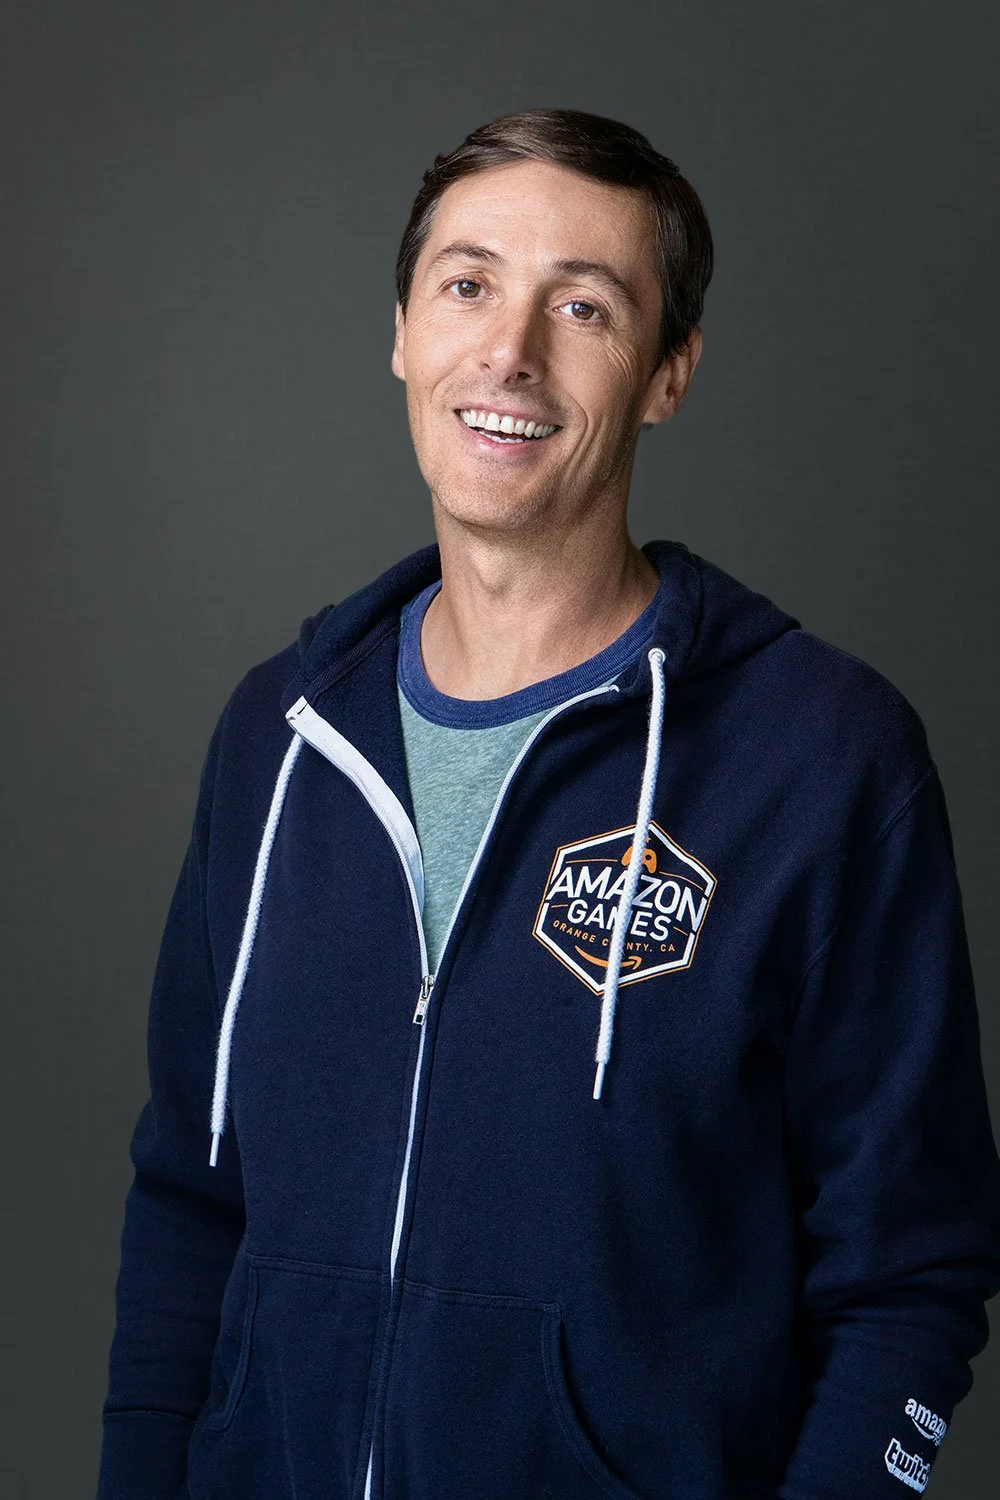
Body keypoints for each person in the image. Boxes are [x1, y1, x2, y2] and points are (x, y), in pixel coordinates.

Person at [97, 108, 1000, 1500]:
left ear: (668, 372)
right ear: (404, 332)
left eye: (583, 306)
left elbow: (910, 1276)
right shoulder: (280, 738)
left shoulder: (824, 759)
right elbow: (188, 1201)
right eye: (467, 284)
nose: (509, 350)